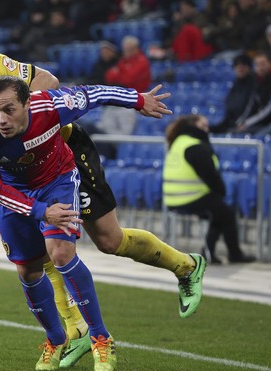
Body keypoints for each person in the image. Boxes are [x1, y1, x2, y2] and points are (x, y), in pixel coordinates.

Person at [0, 23, 206, 369]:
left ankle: (187, 266)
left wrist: (36, 130)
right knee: (43, 255)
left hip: (63, 153)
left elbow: (48, 83)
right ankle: (74, 333)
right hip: (22, 175)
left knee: (109, 240)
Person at [0, 75, 124, 371]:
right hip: (14, 194)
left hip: (57, 182)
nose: (0, 119)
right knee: (28, 271)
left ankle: (101, 338)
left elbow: (96, 93)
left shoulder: (50, 106)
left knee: (61, 254)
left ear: (27, 103)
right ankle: (56, 339)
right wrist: (40, 211)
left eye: (9, 110)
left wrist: (140, 100)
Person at [163, 114, 256, 264]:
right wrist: (221, 191)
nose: (207, 130)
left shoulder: (179, 141)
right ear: (194, 127)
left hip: (173, 197)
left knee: (220, 211)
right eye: (203, 126)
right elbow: (211, 176)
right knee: (226, 212)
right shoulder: (195, 146)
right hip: (189, 197)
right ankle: (233, 254)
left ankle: (209, 253)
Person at [100, 35, 151, 136]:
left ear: (136, 49)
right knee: (105, 127)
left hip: (135, 101)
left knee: (124, 134)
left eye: (129, 49)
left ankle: (120, 150)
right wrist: (122, 73)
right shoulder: (123, 61)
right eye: (125, 50)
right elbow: (109, 77)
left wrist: (118, 73)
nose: (126, 52)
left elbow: (128, 80)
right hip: (120, 100)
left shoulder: (142, 61)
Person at [210, 53, 256, 134]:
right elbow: (229, 110)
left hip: (247, 124)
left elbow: (252, 108)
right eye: (237, 65)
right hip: (232, 123)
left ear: (249, 67)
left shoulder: (254, 84)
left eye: (243, 65)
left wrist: (242, 123)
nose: (240, 67)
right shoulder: (235, 84)